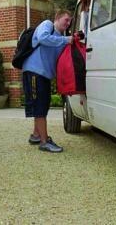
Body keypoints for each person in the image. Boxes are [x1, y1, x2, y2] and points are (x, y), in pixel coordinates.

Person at [22, 9, 73, 153]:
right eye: (66, 20)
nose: (68, 24)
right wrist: (66, 40)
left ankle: (36, 135)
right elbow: (43, 38)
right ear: (57, 18)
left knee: (42, 104)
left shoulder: (60, 38)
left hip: (43, 75)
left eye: (70, 21)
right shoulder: (47, 24)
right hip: (34, 71)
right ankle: (44, 142)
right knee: (40, 105)